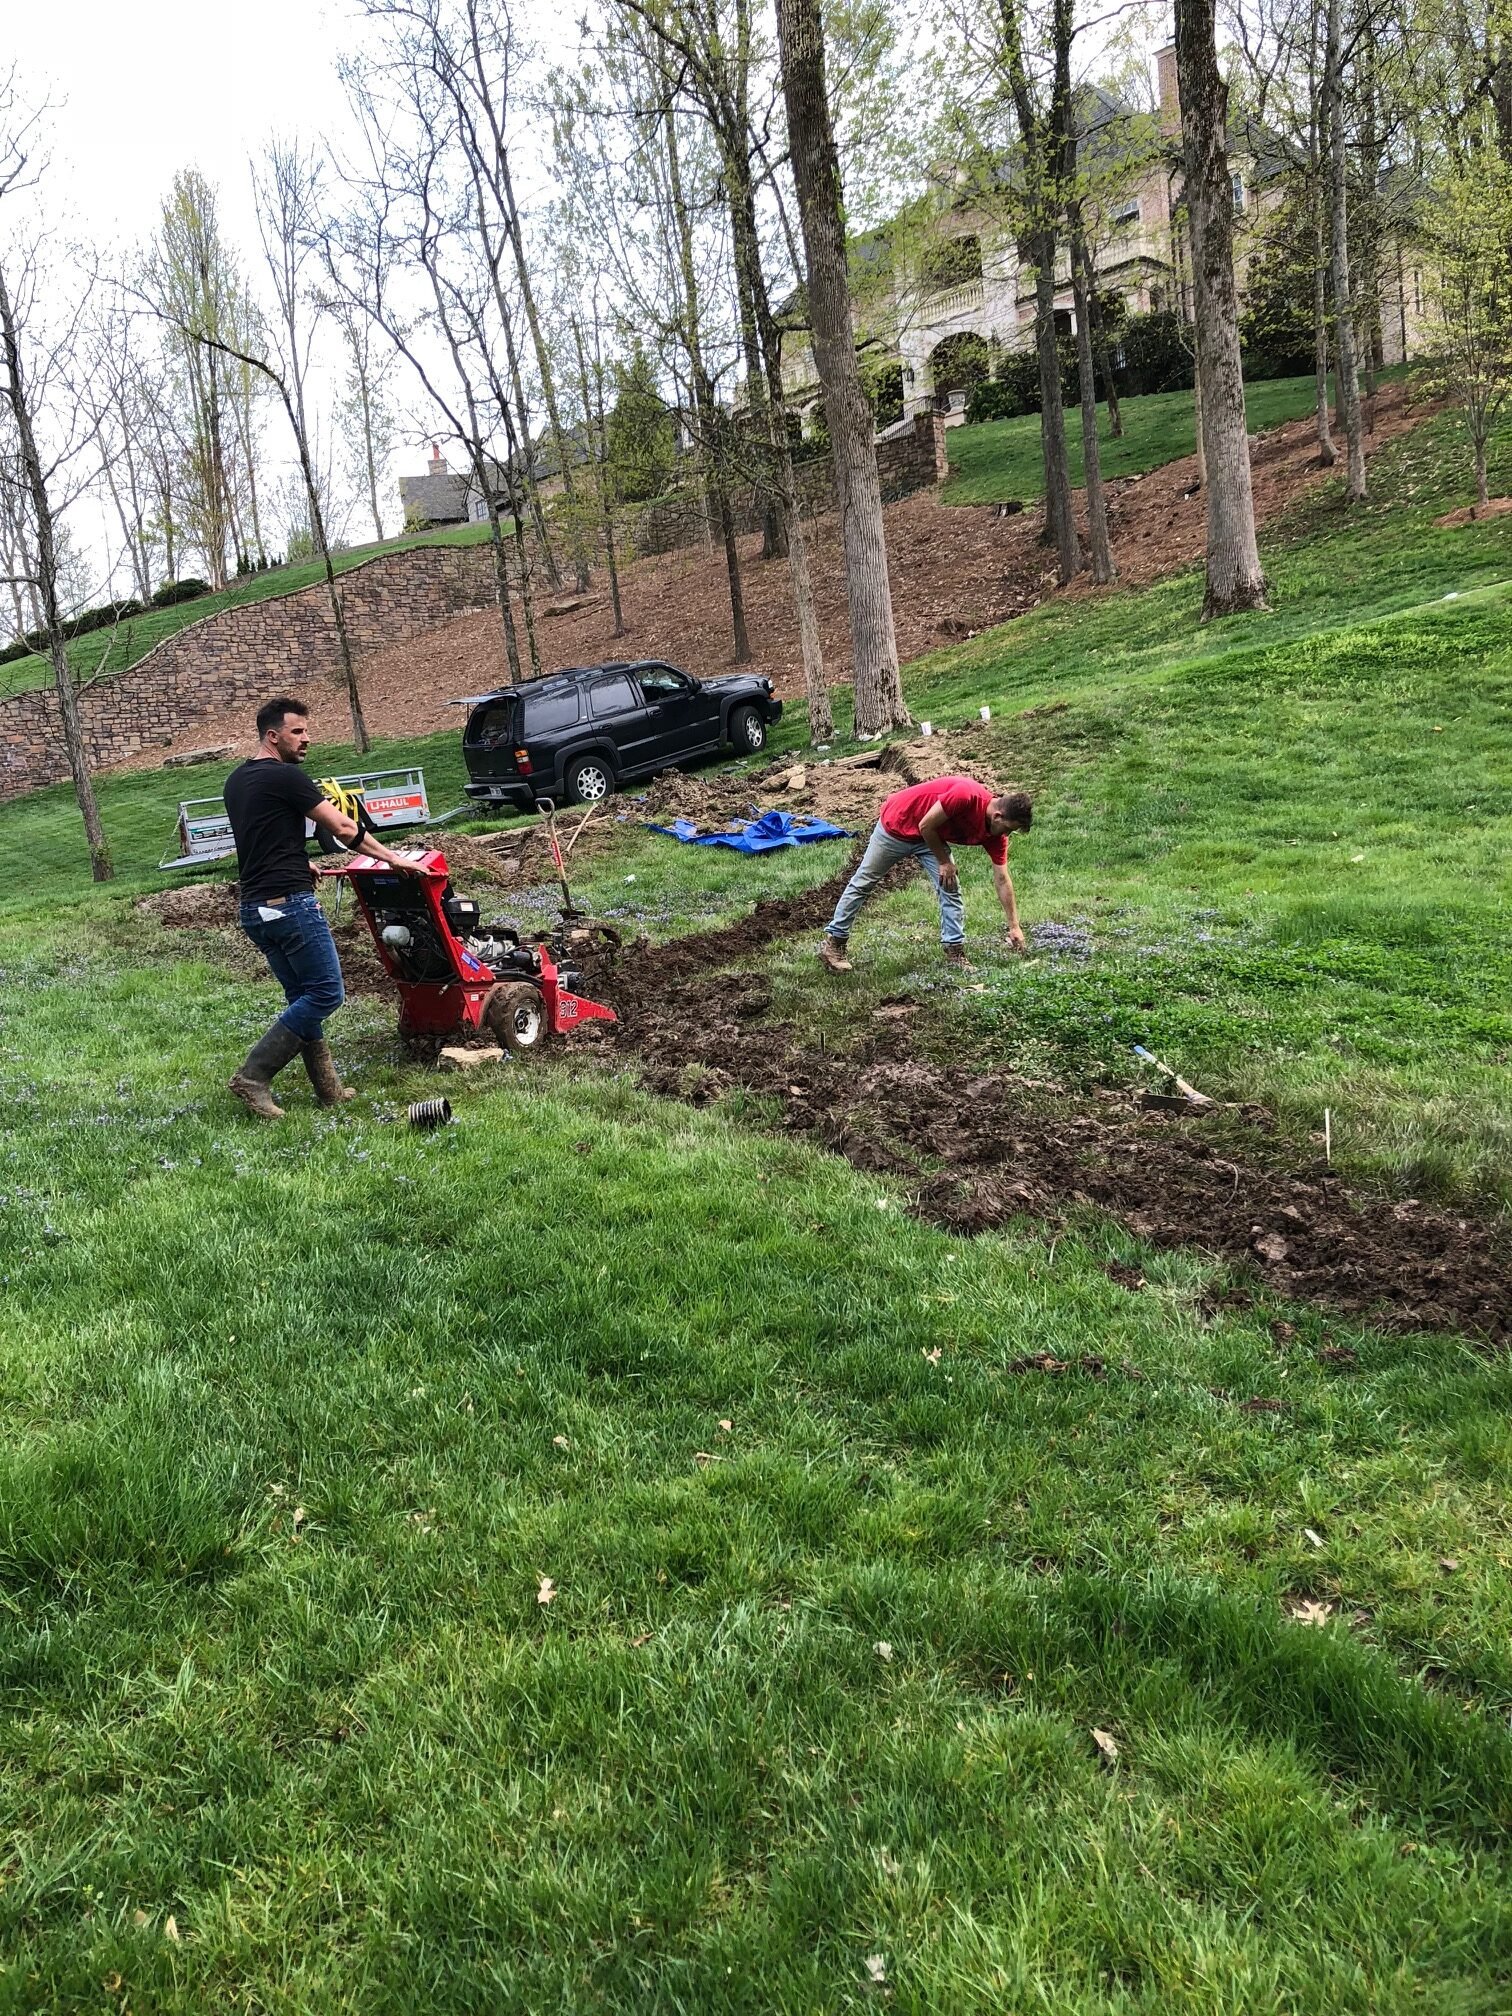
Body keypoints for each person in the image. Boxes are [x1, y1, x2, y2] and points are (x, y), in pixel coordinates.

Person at [222, 695, 428, 1118]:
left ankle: (329, 1090)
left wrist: (302, 861)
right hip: (290, 906)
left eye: (306, 731)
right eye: (297, 732)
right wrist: (394, 858)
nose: (306, 740)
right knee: (326, 993)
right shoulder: (287, 779)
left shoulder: (237, 781)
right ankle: (253, 1076)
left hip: (256, 908)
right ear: (272, 735)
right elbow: (343, 826)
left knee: (302, 994)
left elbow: (261, 838)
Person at [819, 775, 1032, 972]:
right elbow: (926, 824)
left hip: (928, 837)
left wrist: (1014, 926)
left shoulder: (996, 835)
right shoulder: (966, 795)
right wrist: (944, 862)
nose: (1006, 835)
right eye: (1008, 829)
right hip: (898, 825)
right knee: (863, 882)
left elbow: (1002, 879)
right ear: (997, 815)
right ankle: (834, 944)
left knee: (950, 888)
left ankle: (954, 952)